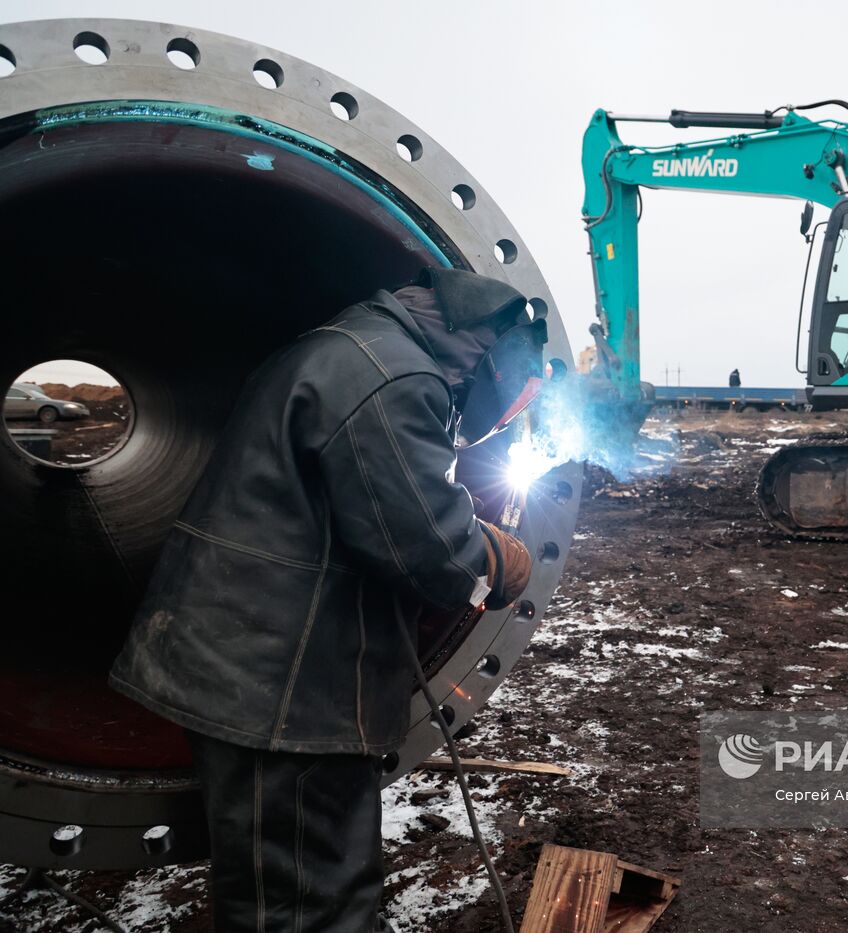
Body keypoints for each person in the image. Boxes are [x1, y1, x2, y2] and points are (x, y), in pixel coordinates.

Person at [109, 267, 536, 932]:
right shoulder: (394, 377)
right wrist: (496, 562)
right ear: (490, 360)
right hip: (288, 693)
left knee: (279, 895)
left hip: (258, 666)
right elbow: (431, 549)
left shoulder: (354, 345)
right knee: (308, 907)